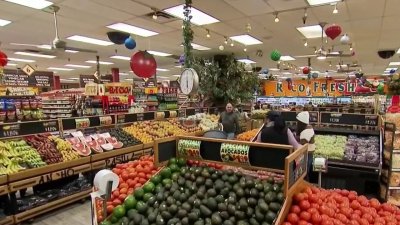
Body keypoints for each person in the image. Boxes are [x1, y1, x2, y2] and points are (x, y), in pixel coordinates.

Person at [295, 111, 316, 182]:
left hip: (307, 154)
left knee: (304, 172)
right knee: (306, 171)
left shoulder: (305, 132)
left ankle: (304, 185)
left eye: (298, 122)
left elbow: (302, 144)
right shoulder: (309, 128)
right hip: (309, 153)